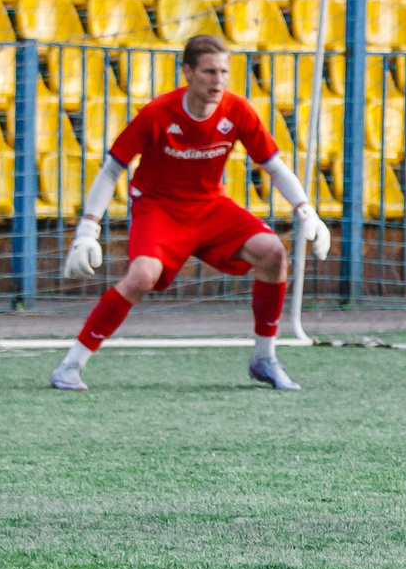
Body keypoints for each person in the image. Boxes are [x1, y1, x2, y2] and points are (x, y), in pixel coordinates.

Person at [49, 33, 331, 392]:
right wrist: (87, 230)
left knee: (273, 253)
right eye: (209, 72)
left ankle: (265, 359)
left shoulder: (238, 109)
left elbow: (274, 165)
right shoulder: (157, 113)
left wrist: (307, 212)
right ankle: (70, 365)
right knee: (141, 277)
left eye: (224, 72)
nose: (218, 81)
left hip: (211, 206)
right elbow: (111, 169)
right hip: (159, 209)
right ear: (188, 72)